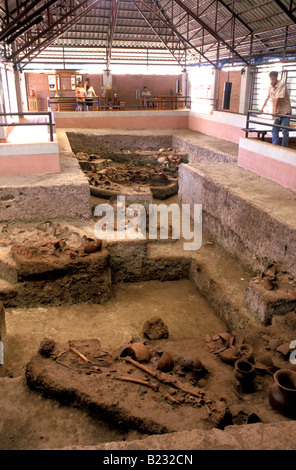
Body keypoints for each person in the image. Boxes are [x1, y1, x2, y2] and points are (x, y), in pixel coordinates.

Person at [260, 71, 292, 147]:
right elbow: (267, 97)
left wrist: (275, 110)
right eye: (270, 79)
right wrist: (262, 108)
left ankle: (284, 147)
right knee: (274, 129)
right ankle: (275, 145)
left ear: (276, 78)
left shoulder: (282, 84)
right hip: (277, 112)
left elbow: (277, 98)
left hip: (285, 111)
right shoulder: (270, 86)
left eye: (273, 79)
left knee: (285, 130)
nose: (271, 81)